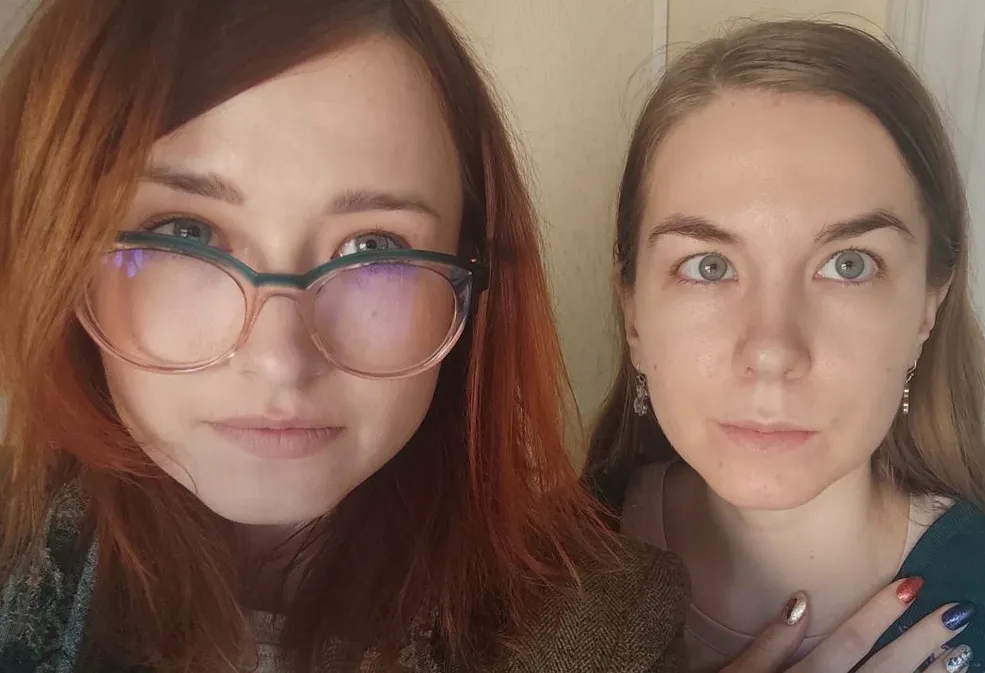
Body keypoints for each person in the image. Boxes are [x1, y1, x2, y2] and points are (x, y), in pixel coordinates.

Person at [0, 1, 695, 670]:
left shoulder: (603, 627)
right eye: (187, 233)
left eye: (374, 248)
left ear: (472, 276)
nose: (280, 358)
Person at [585, 19, 985, 673]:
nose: (772, 351)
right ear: (633, 311)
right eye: (709, 266)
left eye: (849, 265)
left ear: (928, 305)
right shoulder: (505, 592)